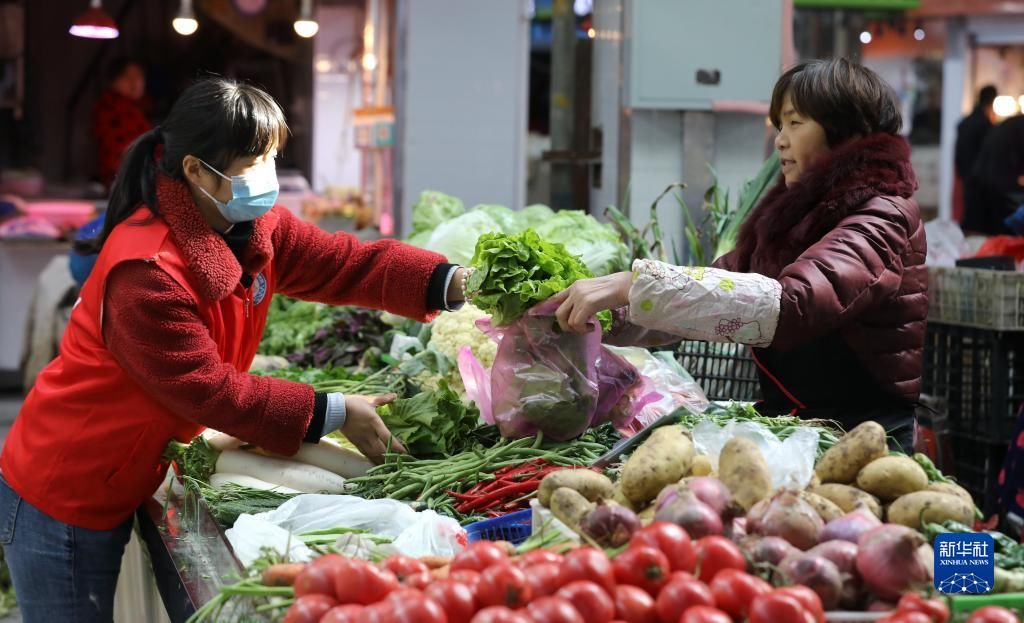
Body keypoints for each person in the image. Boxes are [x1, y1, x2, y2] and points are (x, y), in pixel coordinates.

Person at [0, 78, 470, 622]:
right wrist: (334, 410)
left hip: (132, 464)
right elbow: (210, 390)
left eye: (271, 156)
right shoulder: (147, 273)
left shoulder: (251, 227)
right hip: (69, 482)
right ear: (197, 170)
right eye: (253, 161)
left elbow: (345, 263)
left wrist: (456, 281)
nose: (266, 174)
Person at [552, 58, 924, 448]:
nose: (780, 139)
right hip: (803, 430)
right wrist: (599, 313)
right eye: (780, 125)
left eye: (795, 123)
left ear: (849, 132)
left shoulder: (885, 216)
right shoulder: (792, 218)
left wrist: (639, 285)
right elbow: (711, 295)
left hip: (867, 438)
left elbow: (794, 305)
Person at [92, 57, 152, 191]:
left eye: (139, 77)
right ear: (114, 80)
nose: (135, 83)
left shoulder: (140, 108)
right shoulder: (109, 108)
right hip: (123, 181)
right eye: (129, 77)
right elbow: (119, 152)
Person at [957, 85, 999, 234]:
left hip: (967, 178)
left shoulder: (965, 123)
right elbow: (990, 157)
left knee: (970, 219)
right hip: (981, 181)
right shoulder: (986, 125)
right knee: (981, 224)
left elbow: (959, 155)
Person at [973, 114, 1024, 234]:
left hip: (984, 177)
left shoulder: (1014, 124)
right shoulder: (1018, 126)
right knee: (999, 228)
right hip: (998, 182)